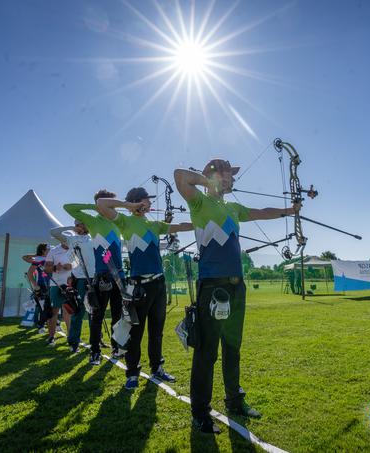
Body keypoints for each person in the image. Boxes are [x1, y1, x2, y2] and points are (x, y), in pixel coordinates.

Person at [174, 159, 301, 434]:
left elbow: (262, 212)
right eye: (226, 174)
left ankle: (233, 400)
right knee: (207, 353)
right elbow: (179, 176)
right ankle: (200, 414)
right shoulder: (198, 203)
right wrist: (209, 181)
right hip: (212, 287)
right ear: (212, 175)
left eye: (232, 175)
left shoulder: (232, 208)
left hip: (236, 287)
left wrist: (289, 211)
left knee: (232, 348)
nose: (231, 179)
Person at [96, 186, 193, 390]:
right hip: (139, 286)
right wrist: (129, 206)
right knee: (135, 333)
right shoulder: (125, 222)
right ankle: (132, 373)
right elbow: (101, 204)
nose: (150, 203)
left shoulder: (155, 224)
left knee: (156, 331)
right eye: (147, 200)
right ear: (138, 202)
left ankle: (157, 367)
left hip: (158, 284)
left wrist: (198, 222)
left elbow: (182, 226)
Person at [64, 190, 124, 365]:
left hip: (119, 276)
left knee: (118, 316)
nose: (112, 205)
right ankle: (95, 352)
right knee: (97, 317)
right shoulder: (93, 221)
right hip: (102, 276)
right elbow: (68, 207)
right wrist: (95, 206)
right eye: (108, 203)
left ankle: (116, 348)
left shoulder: (117, 221)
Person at [51, 220, 97, 353]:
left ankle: (96, 341)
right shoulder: (72, 239)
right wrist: (73, 228)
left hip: (95, 277)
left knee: (95, 311)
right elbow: (53, 232)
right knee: (78, 311)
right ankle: (74, 342)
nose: (80, 226)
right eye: (77, 224)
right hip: (80, 279)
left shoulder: (94, 237)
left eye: (82, 223)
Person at [44, 240, 74, 347]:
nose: (67, 241)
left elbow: (78, 264)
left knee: (69, 311)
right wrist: (56, 268)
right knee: (53, 311)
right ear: (61, 239)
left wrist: (71, 266)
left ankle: (71, 338)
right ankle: (51, 337)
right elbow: (46, 268)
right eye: (64, 239)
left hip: (70, 284)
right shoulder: (53, 251)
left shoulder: (74, 248)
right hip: (55, 284)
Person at [23, 243, 51, 334]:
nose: (50, 251)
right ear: (43, 251)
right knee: (42, 306)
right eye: (48, 249)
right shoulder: (38, 259)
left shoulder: (50, 258)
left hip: (51, 285)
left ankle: (54, 323)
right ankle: (41, 326)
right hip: (41, 285)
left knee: (52, 305)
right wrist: (35, 285)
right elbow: (30, 273)